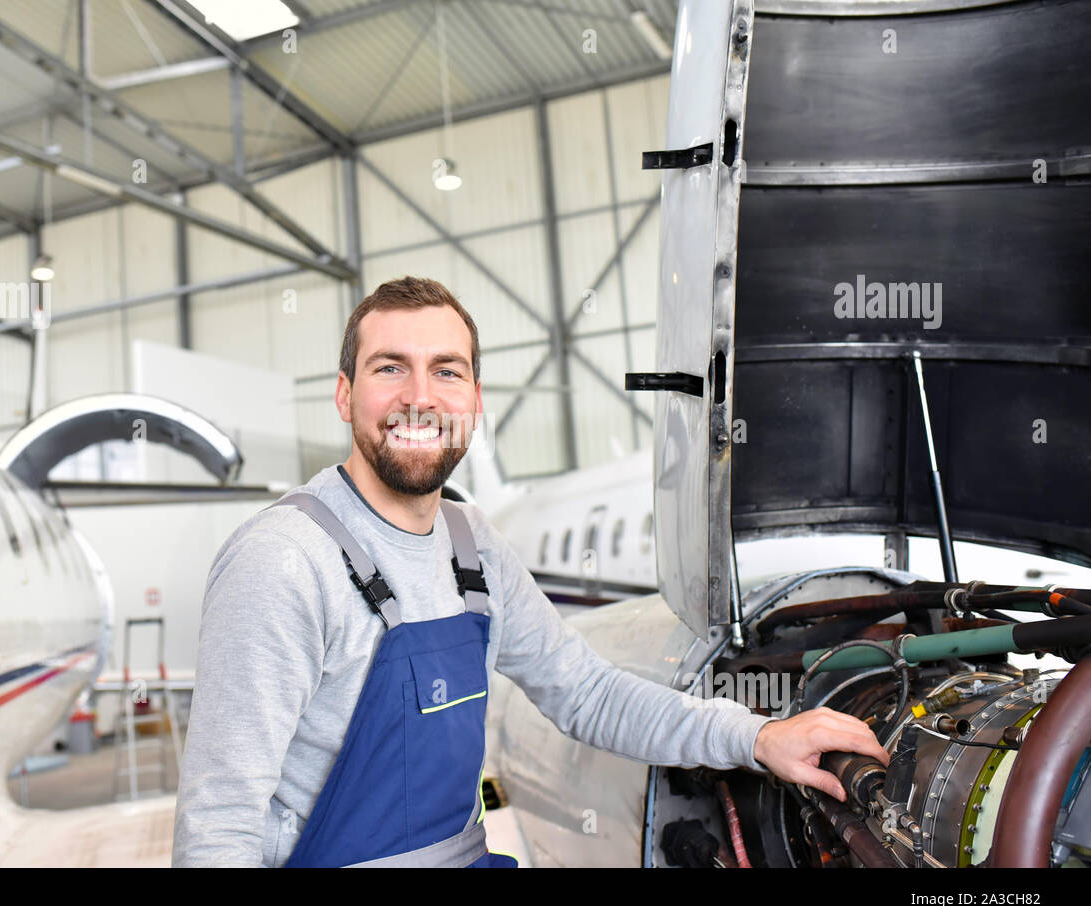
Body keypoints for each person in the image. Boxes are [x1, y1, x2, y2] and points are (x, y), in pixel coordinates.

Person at [172, 276, 889, 868]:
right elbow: (219, 827)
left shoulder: (470, 543)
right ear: (343, 394)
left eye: (446, 371)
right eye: (389, 367)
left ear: (474, 400)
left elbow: (587, 693)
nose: (419, 396)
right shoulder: (283, 560)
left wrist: (756, 737)